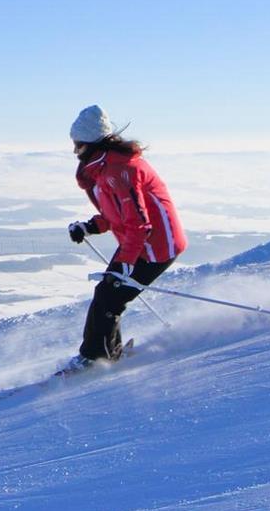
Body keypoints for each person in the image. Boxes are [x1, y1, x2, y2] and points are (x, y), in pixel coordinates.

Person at [61, 105, 187, 373]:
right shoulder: (108, 168)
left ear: (91, 143)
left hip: (156, 246)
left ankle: (97, 360)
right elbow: (118, 214)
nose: (75, 151)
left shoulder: (119, 170)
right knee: (108, 294)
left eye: (78, 145)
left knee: (109, 296)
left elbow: (139, 224)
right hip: (142, 242)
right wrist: (90, 226)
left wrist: (125, 264)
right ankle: (106, 352)